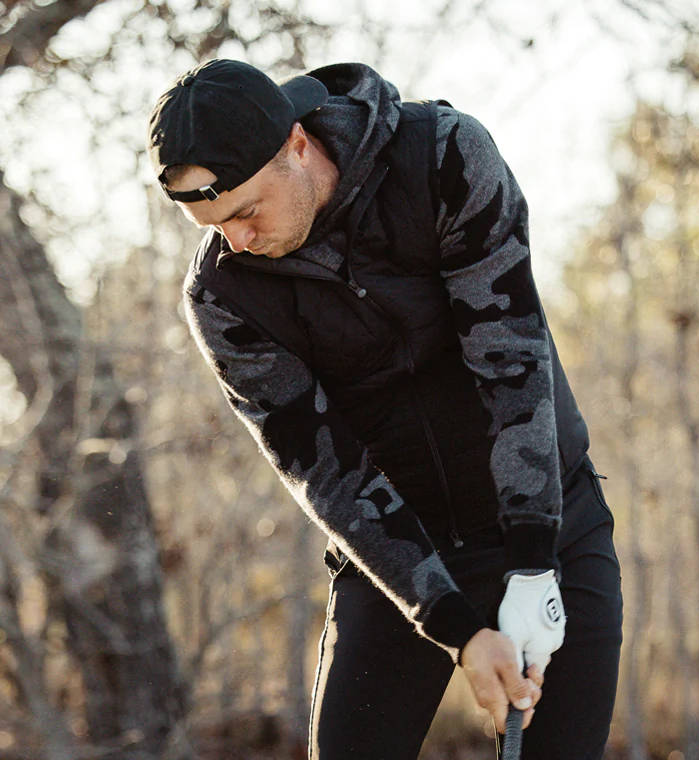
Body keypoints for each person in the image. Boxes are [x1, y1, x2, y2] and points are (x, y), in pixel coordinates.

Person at [147, 59, 623, 758]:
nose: (237, 241)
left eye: (245, 211)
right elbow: (325, 473)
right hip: (398, 555)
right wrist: (457, 626)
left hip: (550, 523)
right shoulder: (223, 296)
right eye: (214, 225)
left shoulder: (443, 156)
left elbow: (510, 361)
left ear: (298, 145)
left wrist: (530, 557)